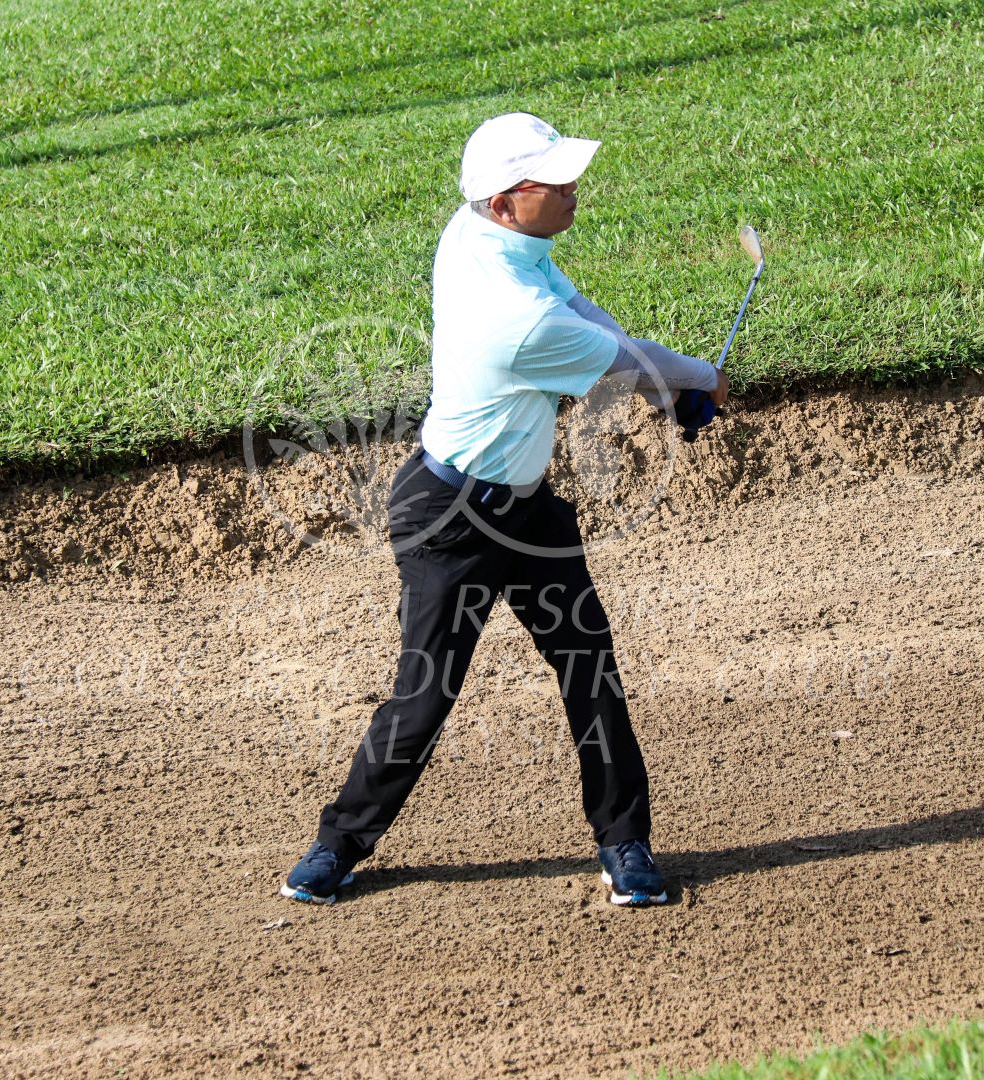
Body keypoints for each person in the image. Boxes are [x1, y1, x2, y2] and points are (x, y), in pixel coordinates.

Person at [281, 112, 727, 907]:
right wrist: (698, 380)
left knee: (591, 670)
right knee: (426, 692)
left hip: (527, 510)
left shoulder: (483, 235)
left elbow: (585, 312)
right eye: (551, 181)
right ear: (503, 200)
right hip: (449, 518)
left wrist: (671, 391)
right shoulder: (515, 322)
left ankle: (624, 843)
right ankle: (337, 844)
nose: (571, 188)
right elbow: (622, 361)